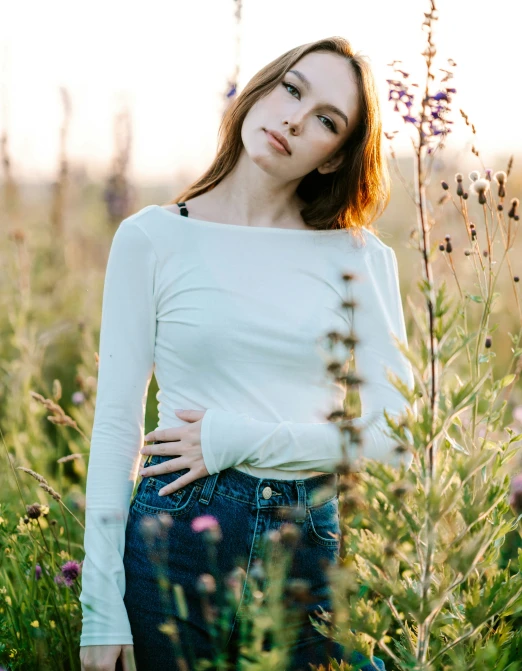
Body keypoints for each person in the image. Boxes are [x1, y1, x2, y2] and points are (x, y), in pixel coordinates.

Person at [79, 37, 416, 671]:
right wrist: (100, 603)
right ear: (260, 91)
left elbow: (395, 435)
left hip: (305, 543)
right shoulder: (152, 237)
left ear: (333, 158)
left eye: (326, 119)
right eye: (292, 88)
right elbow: (116, 426)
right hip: (173, 535)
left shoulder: (360, 259)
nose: (294, 117)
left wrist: (238, 437)